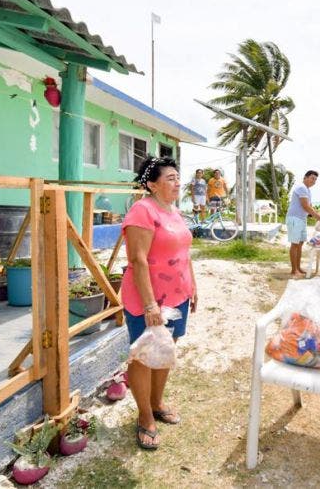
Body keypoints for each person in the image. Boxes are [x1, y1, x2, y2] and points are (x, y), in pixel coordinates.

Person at [122, 156, 198, 451]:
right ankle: (144, 416)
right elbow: (137, 260)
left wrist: (193, 286)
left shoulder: (174, 211)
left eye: (178, 177)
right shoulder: (143, 211)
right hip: (148, 300)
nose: (177, 182)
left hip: (177, 297)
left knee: (165, 349)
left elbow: (184, 252)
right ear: (152, 184)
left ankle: (156, 403)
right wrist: (150, 305)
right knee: (143, 355)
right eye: (170, 178)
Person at [286, 170, 320, 278]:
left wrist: (318, 215)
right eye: (312, 178)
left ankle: (298, 268)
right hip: (295, 218)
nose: (314, 181)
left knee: (300, 244)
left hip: (302, 219)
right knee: (294, 244)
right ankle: (294, 270)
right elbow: (305, 206)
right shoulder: (301, 188)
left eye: (315, 179)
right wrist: (319, 217)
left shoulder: (307, 190)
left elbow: (310, 207)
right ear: (305, 177)